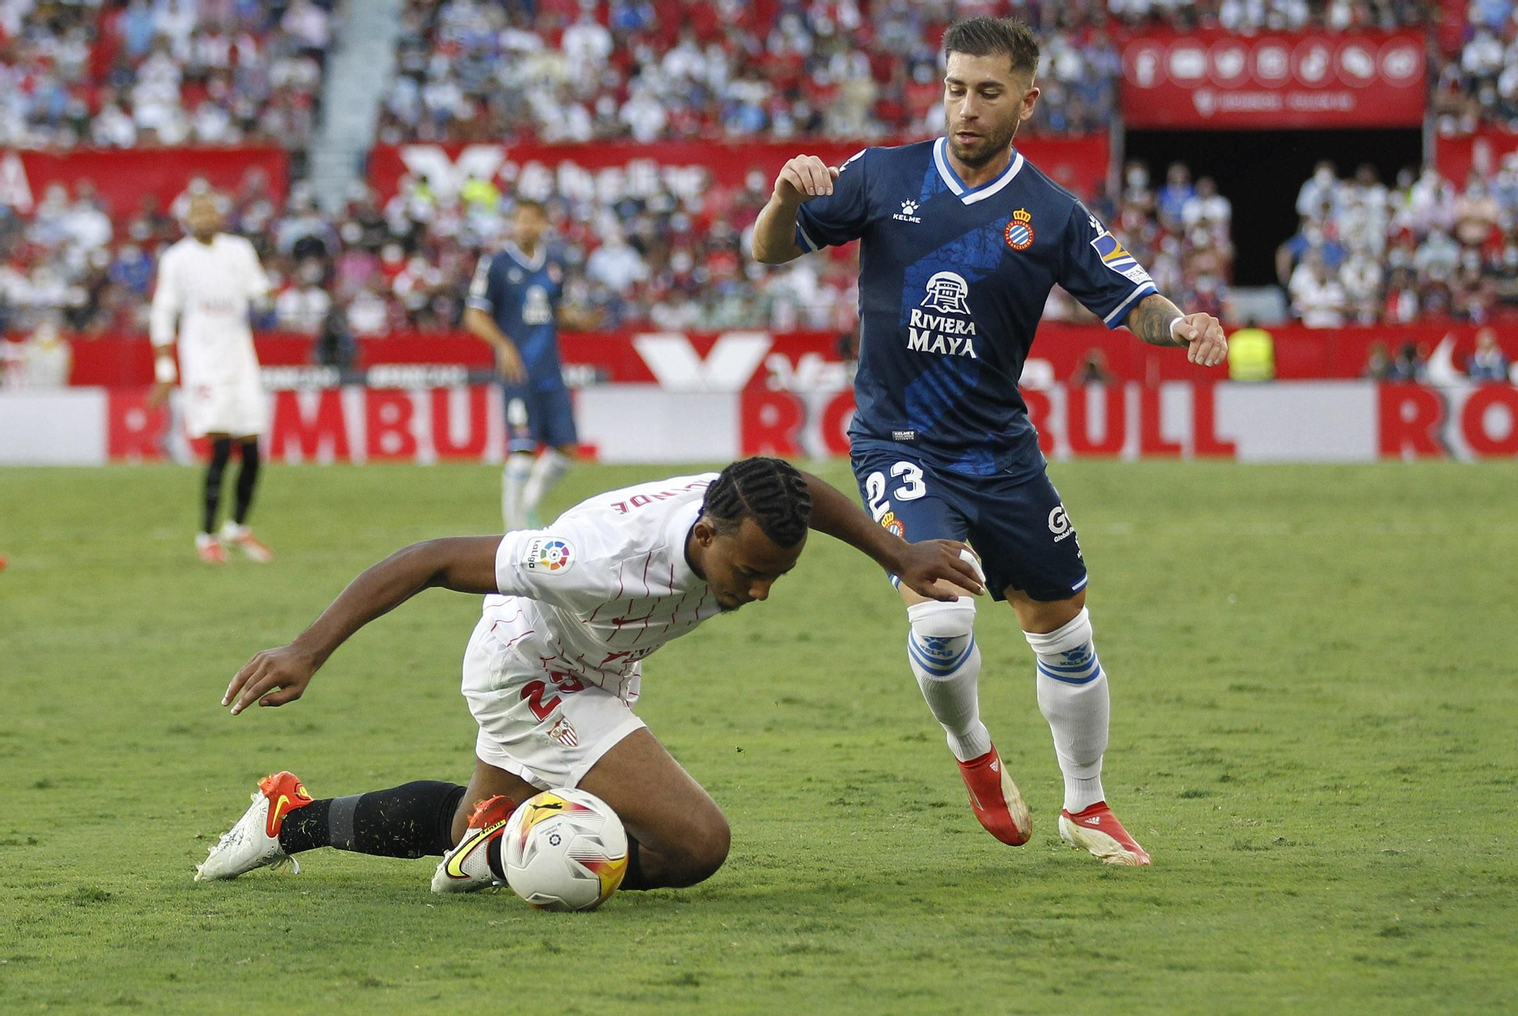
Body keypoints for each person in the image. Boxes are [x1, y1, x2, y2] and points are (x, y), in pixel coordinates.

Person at [752, 16, 1227, 866]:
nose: (966, 108)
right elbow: (768, 250)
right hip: (895, 444)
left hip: (1000, 455)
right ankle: (973, 750)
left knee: (1065, 632)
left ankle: (1087, 805)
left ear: (1027, 100)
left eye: (988, 92)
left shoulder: (1049, 213)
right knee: (940, 615)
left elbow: (1133, 300)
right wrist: (787, 197)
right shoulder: (881, 174)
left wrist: (1183, 322)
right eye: (955, 88)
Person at [195, 457, 984, 892]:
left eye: (777, 573)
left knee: (466, 822)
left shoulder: (748, 505)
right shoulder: (596, 560)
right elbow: (430, 560)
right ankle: (505, 851)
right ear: (705, 534)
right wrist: (308, 648)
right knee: (695, 843)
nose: (761, 591)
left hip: (595, 665)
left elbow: (802, 491)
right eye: (748, 571)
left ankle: (288, 820)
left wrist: (897, 553)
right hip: (531, 670)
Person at [148, 192, 276, 565]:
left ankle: (237, 527)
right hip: (203, 362)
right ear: (188, 221)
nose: (206, 220)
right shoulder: (176, 259)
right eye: (198, 215)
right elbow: (162, 313)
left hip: (241, 359)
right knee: (220, 447)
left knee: (252, 448)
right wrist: (165, 370)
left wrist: (269, 298)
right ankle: (206, 535)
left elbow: (259, 293)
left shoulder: (239, 250)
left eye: (212, 213)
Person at [464, 198, 600, 530]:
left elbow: (556, 312)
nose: (524, 226)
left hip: (549, 370)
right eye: (519, 220)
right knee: (522, 452)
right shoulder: (495, 264)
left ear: (543, 225)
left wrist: (580, 322)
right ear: (512, 224)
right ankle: (514, 533)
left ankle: (529, 503)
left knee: (567, 449)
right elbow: (473, 316)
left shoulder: (553, 264)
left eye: (531, 220)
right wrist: (504, 345)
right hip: (518, 372)